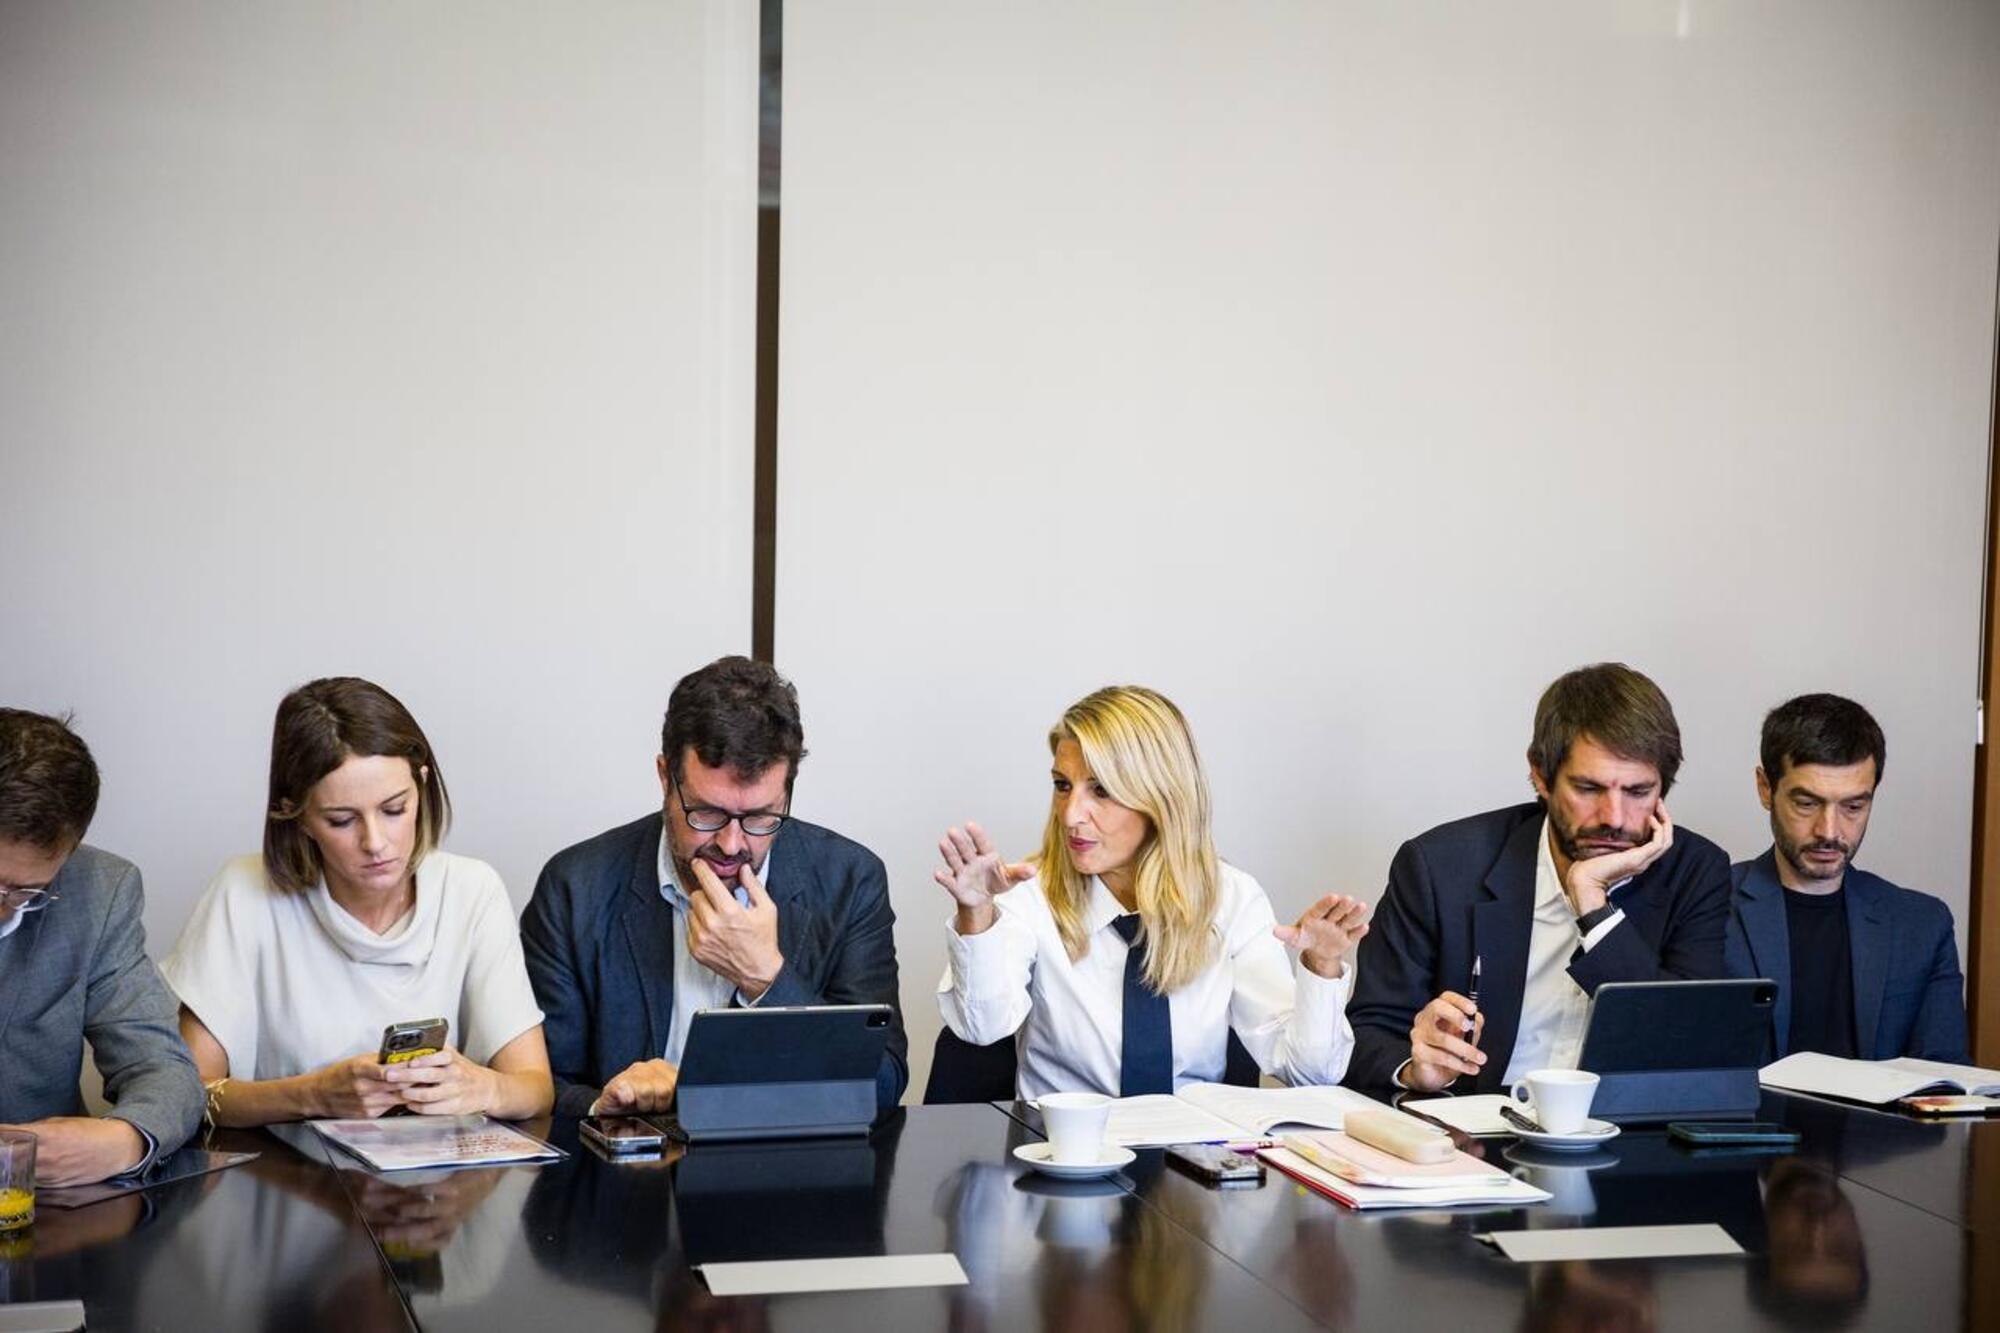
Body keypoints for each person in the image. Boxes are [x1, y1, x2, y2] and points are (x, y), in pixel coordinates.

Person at [936, 685, 1368, 1100]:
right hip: (1067, 1153)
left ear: (1160, 798)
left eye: (1101, 790)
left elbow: (1311, 1073)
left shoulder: (1232, 898)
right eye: (1063, 786)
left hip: (1195, 1156)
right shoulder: (1028, 894)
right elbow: (982, 1028)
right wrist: (976, 914)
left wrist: (1321, 965)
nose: (1071, 815)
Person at [521, 655, 907, 1117]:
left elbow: (881, 1085)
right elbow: (543, 1089)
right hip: (632, 1173)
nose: (731, 843)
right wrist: (610, 1104)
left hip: (789, 1172)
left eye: (761, 817)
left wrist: (766, 978)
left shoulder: (850, 881)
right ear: (666, 779)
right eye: (706, 813)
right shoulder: (575, 888)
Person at [163, 678, 552, 1124]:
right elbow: (190, 1095)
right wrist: (312, 1095)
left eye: (394, 809)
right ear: (299, 816)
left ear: (422, 786)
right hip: (286, 1180)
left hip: (438, 1187)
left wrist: (481, 1086)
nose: (375, 842)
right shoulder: (244, 892)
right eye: (341, 820)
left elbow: (535, 1090)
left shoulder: (472, 889)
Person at [1343, 662, 1732, 1094]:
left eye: (1639, 792)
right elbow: (1367, 1031)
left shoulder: (1696, 870)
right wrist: (1415, 1068)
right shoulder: (1440, 866)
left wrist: (1592, 904)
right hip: (1474, 1125)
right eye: (1588, 789)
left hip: (1622, 1132)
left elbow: (1685, 1042)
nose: (1614, 819)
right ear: (1541, 777)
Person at [0, 708, 202, 1184]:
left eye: (24, 892)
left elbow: (163, 1068)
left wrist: (126, 1139)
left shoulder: (100, 892)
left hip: (37, 1212)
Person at [1725, 693, 1966, 1061]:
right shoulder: (1708, 909)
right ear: (1765, 788)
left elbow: (1943, 1083)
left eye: (1854, 806)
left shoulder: (1922, 926)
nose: (1829, 830)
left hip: (1879, 1122)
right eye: (1806, 803)